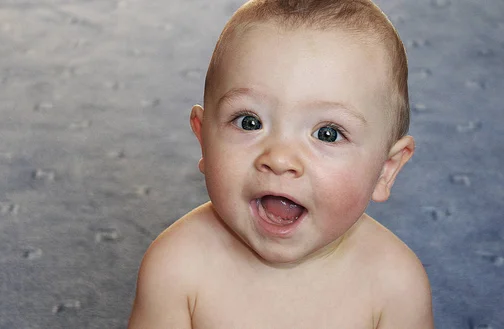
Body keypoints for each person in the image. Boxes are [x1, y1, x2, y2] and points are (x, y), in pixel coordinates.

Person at [128, 0, 434, 327]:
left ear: (385, 170)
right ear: (203, 138)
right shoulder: (176, 267)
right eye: (249, 122)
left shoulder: (396, 284)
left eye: (327, 134)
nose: (279, 158)